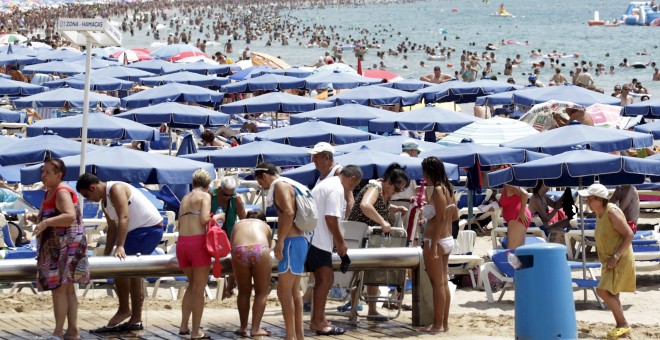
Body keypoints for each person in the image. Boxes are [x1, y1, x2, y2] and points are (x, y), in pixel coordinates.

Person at [78, 173, 164, 333]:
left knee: (121, 269)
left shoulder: (115, 189)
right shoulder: (104, 203)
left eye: (87, 195)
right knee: (132, 272)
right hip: (136, 231)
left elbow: (124, 217)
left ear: (93, 187)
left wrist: (120, 246)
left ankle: (125, 309)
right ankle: (136, 319)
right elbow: (112, 228)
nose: (88, 199)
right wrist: (106, 255)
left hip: (149, 229)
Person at [26, 158, 89, 340]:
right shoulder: (50, 191)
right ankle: (72, 332)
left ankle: (58, 332)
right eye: (42, 172)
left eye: (47, 172)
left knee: (59, 290)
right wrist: (36, 219)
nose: (43, 175)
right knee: (68, 290)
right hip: (63, 245)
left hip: (65, 246)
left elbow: (69, 216)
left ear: (58, 175)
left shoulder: (61, 191)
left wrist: (45, 222)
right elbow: (57, 216)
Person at [347, 163, 409, 320]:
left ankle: (372, 311)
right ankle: (354, 310)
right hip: (358, 237)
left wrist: (395, 208)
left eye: (401, 190)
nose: (397, 192)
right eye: (397, 188)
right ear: (388, 181)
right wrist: (383, 222)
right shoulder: (375, 187)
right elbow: (365, 205)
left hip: (369, 238)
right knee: (357, 276)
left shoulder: (384, 192)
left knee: (372, 273)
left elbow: (378, 205)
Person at [307, 165, 363, 335]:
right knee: (326, 279)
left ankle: (319, 318)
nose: (351, 190)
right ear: (352, 179)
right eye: (354, 186)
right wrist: (340, 242)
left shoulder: (326, 183)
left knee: (324, 280)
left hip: (313, 237)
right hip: (318, 240)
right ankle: (317, 321)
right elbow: (331, 218)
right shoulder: (337, 188)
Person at [255, 162, 308, 340]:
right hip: (300, 240)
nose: (262, 187)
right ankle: (297, 335)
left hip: (292, 242)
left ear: (264, 176)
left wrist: (281, 241)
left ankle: (290, 336)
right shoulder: (291, 184)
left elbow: (288, 212)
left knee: (283, 292)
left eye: (260, 183)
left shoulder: (279, 185)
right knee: (294, 292)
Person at [578, 184, 635, 339]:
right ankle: (623, 332)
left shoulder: (612, 212)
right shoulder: (599, 213)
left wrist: (616, 256)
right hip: (609, 260)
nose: (587, 202)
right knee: (613, 294)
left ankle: (623, 324)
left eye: (590, 199)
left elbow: (629, 234)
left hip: (619, 258)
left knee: (602, 291)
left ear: (600, 200)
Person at [418, 157, 457, 333]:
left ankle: (437, 325)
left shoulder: (438, 190)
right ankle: (444, 324)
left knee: (438, 284)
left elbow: (440, 218)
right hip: (447, 239)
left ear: (429, 171)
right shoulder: (448, 188)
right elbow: (454, 216)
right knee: (443, 282)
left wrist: (433, 244)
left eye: (424, 171)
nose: (423, 175)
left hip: (437, 241)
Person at [176, 169, 212, 339]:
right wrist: (217, 216)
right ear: (208, 185)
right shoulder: (205, 196)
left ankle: (184, 326)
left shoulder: (184, 198)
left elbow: (178, 225)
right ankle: (196, 331)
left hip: (182, 244)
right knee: (199, 289)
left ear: (193, 183)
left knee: (191, 286)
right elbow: (204, 219)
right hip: (197, 243)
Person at [231, 217, 273, 338]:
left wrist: (229, 285)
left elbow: (231, 245)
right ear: (263, 220)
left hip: (239, 250)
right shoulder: (265, 226)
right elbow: (269, 245)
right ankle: (255, 329)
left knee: (243, 292)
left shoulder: (238, 225)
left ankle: (243, 327)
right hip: (260, 248)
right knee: (261, 293)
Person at [210, 176, 247, 298]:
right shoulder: (210, 195)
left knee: (234, 260)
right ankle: (223, 289)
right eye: (225, 194)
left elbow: (244, 220)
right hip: (211, 235)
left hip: (229, 234)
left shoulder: (236, 199)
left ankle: (228, 290)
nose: (227, 197)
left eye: (230, 195)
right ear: (219, 189)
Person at [498, 180, 531, 250]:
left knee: (512, 250)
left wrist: (522, 212)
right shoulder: (506, 185)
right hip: (516, 218)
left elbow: (525, 194)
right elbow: (508, 202)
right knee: (518, 251)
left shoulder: (508, 185)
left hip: (517, 218)